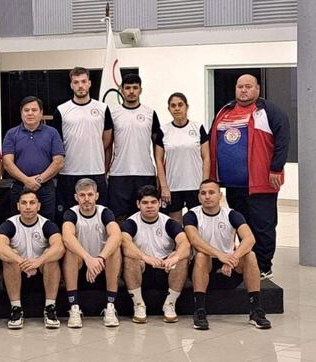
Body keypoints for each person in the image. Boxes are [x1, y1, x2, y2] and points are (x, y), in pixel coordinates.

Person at [209, 74, 290, 280]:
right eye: (239, 87)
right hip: (233, 185)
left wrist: (276, 169)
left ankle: (263, 266)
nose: (243, 90)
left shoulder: (269, 112)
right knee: (239, 226)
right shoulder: (224, 111)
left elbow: (282, 141)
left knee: (262, 226)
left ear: (257, 89)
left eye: (248, 86)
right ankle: (241, 263)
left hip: (261, 183)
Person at [183, 180, 272, 330]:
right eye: (203, 193)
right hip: (203, 269)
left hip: (229, 269)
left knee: (250, 255)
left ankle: (256, 311)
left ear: (220, 195)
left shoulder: (232, 214)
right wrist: (220, 255)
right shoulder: (192, 215)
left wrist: (233, 257)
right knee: (201, 255)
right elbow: (195, 241)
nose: (207, 197)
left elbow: (250, 238)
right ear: (198, 197)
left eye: (211, 192)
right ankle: (199, 310)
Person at [0, 189, 64, 330]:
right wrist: (21, 261)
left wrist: (39, 261)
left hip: (41, 267)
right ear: (18, 206)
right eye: (24, 203)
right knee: (9, 255)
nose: (28, 207)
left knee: (51, 255)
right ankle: (16, 309)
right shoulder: (9, 224)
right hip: (18, 268)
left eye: (32, 203)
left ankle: (50, 308)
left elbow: (60, 247)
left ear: (38, 206)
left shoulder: (47, 224)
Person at [120, 186, 190, 323]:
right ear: (138, 205)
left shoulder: (169, 222)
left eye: (153, 202)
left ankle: (170, 304)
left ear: (159, 203)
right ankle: (139, 305)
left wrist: (175, 257)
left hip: (165, 268)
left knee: (181, 257)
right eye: (145, 203)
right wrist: (144, 257)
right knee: (130, 258)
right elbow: (125, 244)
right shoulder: (130, 223)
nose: (149, 206)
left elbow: (185, 244)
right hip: (142, 269)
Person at [50, 67, 113, 213]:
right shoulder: (62, 110)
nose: (80, 85)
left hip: (95, 169)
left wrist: (93, 149)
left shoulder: (103, 108)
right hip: (68, 171)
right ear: (71, 85)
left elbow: (107, 139)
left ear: (89, 83)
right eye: (76, 82)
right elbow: (57, 142)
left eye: (83, 81)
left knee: (99, 213)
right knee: (68, 215)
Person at [61, 178, 122, 328]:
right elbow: (67, 237)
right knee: (70, 251)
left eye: (90, 194)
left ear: (96, 196)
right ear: (76, 197)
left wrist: (100, 258)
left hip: (101, 265)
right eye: (82, 195)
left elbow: (116, 235)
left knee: (115, 249)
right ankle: (74, 307)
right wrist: (88, 258)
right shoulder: (71, 214)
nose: (86, 199)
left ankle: (110, 306)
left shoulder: (105, 212)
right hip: (81, 264)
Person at [107, 74, 161, 220]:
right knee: (118, 219)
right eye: (128, 88)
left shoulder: (150, 113)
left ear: (140, 90)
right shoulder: (113, 113)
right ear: (122, 90)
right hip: (119, 174)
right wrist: (105, 171)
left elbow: (158, 148)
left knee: (145, 217)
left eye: (135, 88)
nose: (131, 91)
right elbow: (107, 145)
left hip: (145, 173)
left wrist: (160, 176)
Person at [3, 96, 65, 221]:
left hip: (45, 188)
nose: (30, 113)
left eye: (34, 110)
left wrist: (39, 180)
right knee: (18, 225)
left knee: (48, 226)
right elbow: (7, 163)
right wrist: (26, 180)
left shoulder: (52, 133)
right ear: (21, 113)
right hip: (19, 187)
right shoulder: (11, 134)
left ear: (41, 113)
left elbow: (59, 162)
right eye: (26, 110)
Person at [154, 93, 209, 223]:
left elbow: (206, 157)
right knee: (176, 229)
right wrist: (164, 186)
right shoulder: (164, 130)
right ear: (169, 109)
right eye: (173, 106)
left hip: (195, 186)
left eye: (180, 105)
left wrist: (204, 185)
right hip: (173, 187)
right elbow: (159, 160)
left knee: (197, 225)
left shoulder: (197, 128)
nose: (177, 108)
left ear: (186, 107)